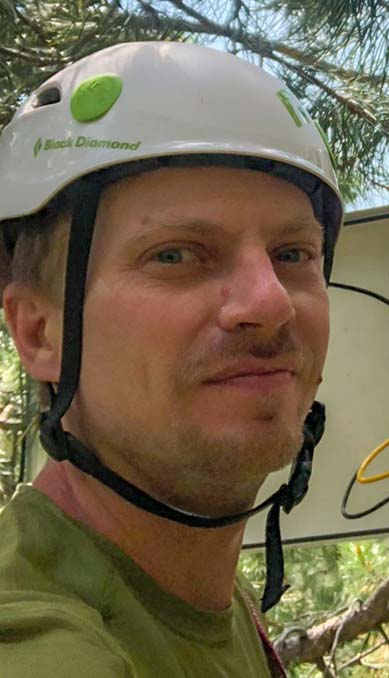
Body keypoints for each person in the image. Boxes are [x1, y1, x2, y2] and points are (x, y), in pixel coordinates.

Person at [0, 41, 343, 677]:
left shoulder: (195, 594)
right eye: (176, 255)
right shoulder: (34, 638)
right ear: (41, 334)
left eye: (293, 254)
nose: (270, 303)